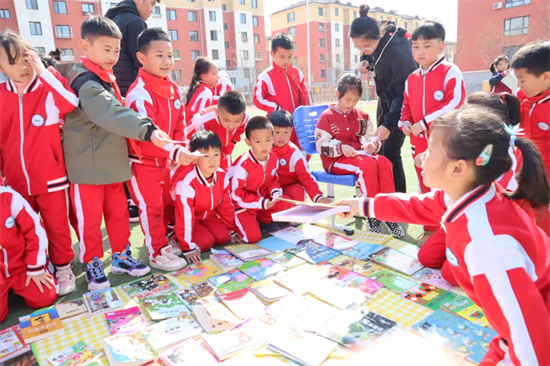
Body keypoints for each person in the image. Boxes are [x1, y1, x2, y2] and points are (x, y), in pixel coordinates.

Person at [337, 106, 550, 366]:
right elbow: (417, 205)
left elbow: (531, 342)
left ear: (458, 169)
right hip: (518, 329)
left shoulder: (486, 246)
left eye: (430, 149)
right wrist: (362, 205)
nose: (421, 157)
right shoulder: (469, 195)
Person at [62, 16, 173, 291]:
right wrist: (147, 129)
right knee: (90, 219)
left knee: (119, 214)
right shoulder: (85, 80)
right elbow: (109, 112)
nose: (112, 56)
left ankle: (122, 255)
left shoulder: (103, 76)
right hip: (87, 167)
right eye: (106, 49)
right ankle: (92, 262)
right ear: (85, 46)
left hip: (112, 162)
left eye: (116, 50)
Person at [0, 30, 78, 295]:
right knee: (27, 230)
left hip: (51, 176)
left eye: (25, 58)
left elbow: (70, 103)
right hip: (16, 182)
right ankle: (38, 267)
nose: (22, 67)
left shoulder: (48, 86)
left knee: (57, 225)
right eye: (12, 63)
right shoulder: (1, 95)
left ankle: (64, 267)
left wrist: (44, 71)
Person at [125, 28, 193, 271]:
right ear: (142, 58)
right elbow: (147, 132)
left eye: (170, 55)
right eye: (159, 55)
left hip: (166, 162)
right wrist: (175, 152)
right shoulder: (139, 93)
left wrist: (178, 152)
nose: (167, 61)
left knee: (164, 206)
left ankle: (163, 242)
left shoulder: (173, 88)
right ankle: (157, 253)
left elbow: (179, 125)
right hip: (143, 164)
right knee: (151, 209)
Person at [399, 21, 465, 245]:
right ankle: (430, 230)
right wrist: (405, 123)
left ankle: (453, 233)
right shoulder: (411, 78)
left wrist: (424, 123)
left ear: (441, 47)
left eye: (426, 46)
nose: (420, 51)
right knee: (424, 184)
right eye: (415, 46)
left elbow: (455, 104)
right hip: (419, 145)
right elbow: (405, 107)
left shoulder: (450, 71)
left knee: (449, 185)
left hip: (447, 145)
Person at [315, 73, 404, 237]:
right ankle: (372, 215)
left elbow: (372, 138)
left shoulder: (362, 116)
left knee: (383, 162)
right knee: (367, 165)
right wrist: (341, 147)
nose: (351, 104)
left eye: (355, 101)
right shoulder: (326, 116)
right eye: (347, 99)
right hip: (335, 161)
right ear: (337, 94)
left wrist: (373, 145)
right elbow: (321, 146)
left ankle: (388, 213)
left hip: (360, 156)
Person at [351, 4, 417, 193]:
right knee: (378, 147)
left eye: (366, 45)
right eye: (358, 46)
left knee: (390, 150)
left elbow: (403, 93)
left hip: (404, 103)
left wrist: (389, 125)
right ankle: (384, 193)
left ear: (378, 35)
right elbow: (374, 56)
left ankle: (398, 200)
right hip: (386, 99)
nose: (363, 49)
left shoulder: (399, 52)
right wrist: (366, 61)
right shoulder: (377, 44)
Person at [172, 131, 239, 264]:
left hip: (209, 215)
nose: (212, 160)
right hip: (189, 217)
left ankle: (211, 232)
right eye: (206, 156)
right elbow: (184, 214)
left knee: (223, 238)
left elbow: (226, 205)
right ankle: (174, 236)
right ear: (195, 158)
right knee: (206, 243)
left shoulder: (221, 175)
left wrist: (231, 230)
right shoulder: (187, 182)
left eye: (216, 154)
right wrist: (188, 247)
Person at [228, 116, 294, 242]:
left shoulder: (273, 158)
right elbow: (236, 195)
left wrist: (275, 193)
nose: (264, 146)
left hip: (261, 201)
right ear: (248, 142)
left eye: (268, 140)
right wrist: (260, 202)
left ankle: (261, 220)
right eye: (258, 141)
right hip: (242, 206)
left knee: (288, 202)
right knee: (253, 237)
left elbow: (273, 179)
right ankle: (240, 224)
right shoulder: (243, 164)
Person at [0, 186, 58, 323]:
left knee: (45, 297)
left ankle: (45, 266)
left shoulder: (8, 196)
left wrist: (35, 267)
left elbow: (35, 230)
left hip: (23, 265)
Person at [253, 32, 310, 153]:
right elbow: (257, 99)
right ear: (272, 54)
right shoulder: (266, 76)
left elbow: (304, 96)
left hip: (297, 125)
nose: (286, 61)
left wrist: (306, 114)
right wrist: (276, 108)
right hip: (277, 127)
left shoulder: (297, 72)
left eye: (289, 57)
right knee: (277, 158)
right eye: (282, 57)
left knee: (300, 156)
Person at [269, 110, 331, 204]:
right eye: (277, 132)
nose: (282, 137)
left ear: (291, 131)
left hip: (289, 188)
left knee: (298, 192)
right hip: (271, 189)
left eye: (286, 132)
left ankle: (288, 211)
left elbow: (306, 177)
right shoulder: (264, 149)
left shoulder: (294, 153)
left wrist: (318, 197)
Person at [512, 41, 550, 177]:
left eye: (522, 81)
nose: (519, 85)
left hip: (545, 177)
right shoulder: (520, 96)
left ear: (545, 77)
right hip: (522, 171)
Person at [186, 90, 248, 171]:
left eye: (237, 121)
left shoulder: (244, 117)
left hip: (224, 155)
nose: (231, 125)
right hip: (204, 158)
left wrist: (231, 145)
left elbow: (239, 130)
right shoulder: (201, 122)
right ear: (217, 112)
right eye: (226, 120)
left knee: (226, 179)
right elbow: (186, 138)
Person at [105, 0, 157, 97]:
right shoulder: (136, 22)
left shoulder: (110, 21)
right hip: (130, 91)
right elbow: (142, 63)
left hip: (110, 88)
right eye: (152, 4)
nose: (152, 10)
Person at [185, 57, 218, 126]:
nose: (218, 77)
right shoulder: (205, 93)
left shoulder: (199, 89)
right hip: (193, 133)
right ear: (204, 76)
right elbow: (199, 119)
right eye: (215, 74)